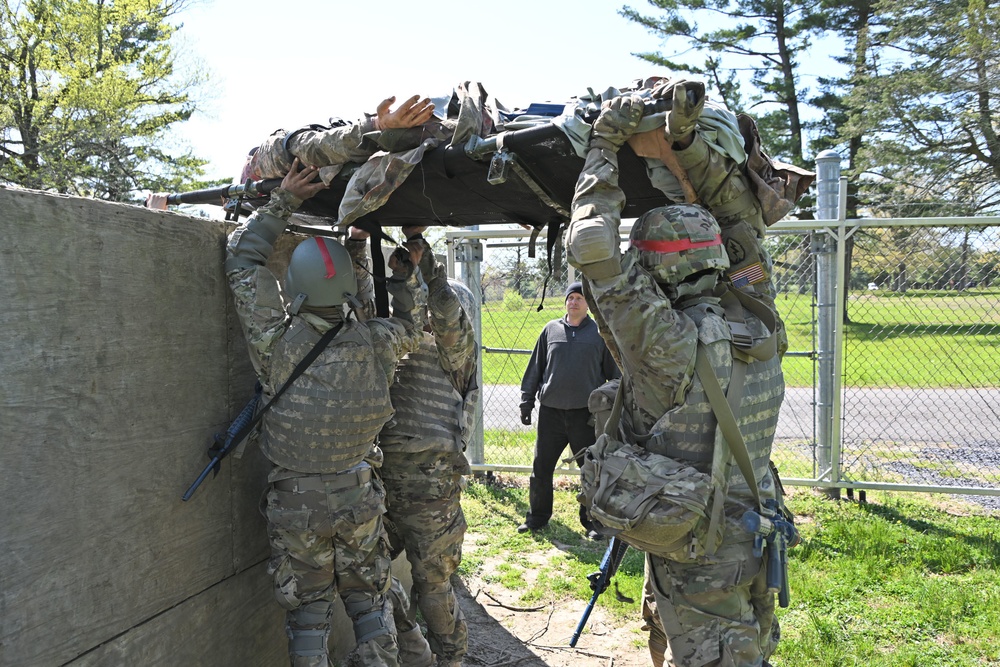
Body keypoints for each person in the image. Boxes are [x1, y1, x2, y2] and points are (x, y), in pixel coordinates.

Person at [566, 87, 786, 667]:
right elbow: (743, 221)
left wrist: (604, 143)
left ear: (652, 266)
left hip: (699, 549)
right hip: (755, 526)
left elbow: (591, 242)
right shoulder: (758, 314)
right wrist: (683, 146)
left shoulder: (664, 342)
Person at [225, 159, 427, 667]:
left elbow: (242, 259)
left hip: (296, 505)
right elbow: (411, 324)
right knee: (368, 601)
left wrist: (284, 200)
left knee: (308, 615)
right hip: (359, 495)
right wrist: (408, 277)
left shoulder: (275, 342)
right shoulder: (377, 342)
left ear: (293, 289)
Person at [372, 227, 480, 667]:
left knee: (433, 585)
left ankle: (451, 660)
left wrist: (428, 271)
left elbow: (447, 317)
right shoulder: (402, 336)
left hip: (431, 482)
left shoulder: (457, 351)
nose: (433, 319)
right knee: (369, 576)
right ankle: (413, 648)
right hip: (381, 475)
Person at [517, 281, 620, 539]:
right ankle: (538, 518)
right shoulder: (550, 330)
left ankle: (593, 523)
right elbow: (535, 369)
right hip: (551, 413)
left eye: (579, 298)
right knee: (541, 468)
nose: (574, 302)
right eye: (570, 298)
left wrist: (605, 407)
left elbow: (615, 377)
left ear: (588, 305)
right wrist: (526, 401)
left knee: (590, 471)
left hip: (584, 416)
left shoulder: (599, 334)